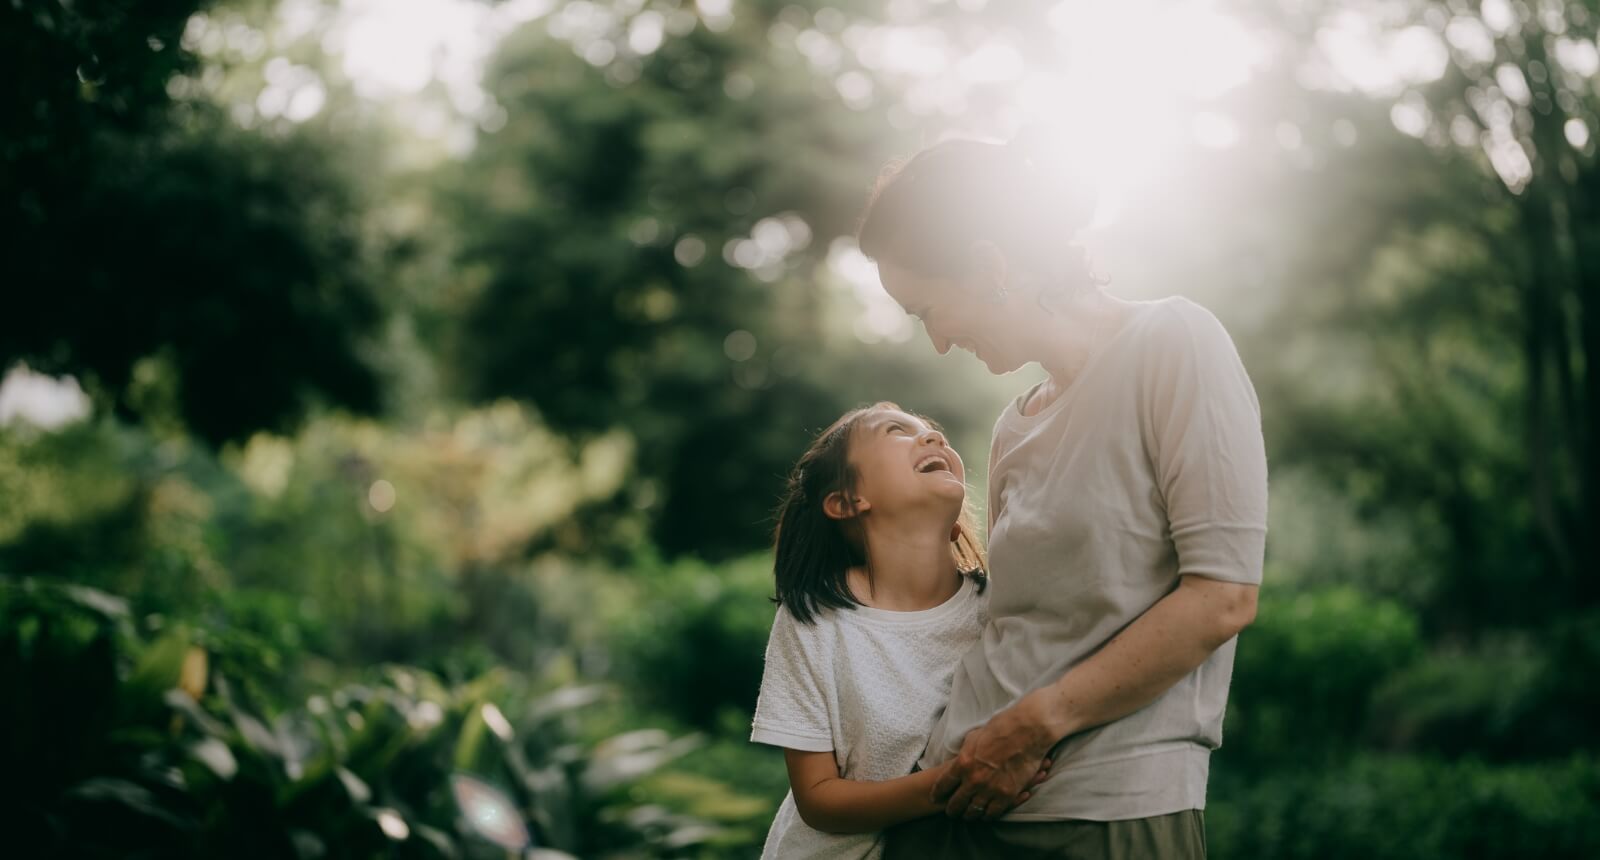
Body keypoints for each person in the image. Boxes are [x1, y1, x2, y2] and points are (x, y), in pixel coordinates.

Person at [858, 139, 1269, 859]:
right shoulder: (1012, 425)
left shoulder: (1173, 342)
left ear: (988, 268)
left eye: (927, 310)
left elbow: (1223, 597)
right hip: (956, 805)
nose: (939, 344)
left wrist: (1031, 727)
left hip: (1104, 813)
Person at [750, 402, 1048, 859]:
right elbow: (818, 799)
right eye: (897, 431)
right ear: (847, 501)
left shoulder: (1000, 610)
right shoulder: (812, 618)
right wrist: (954, 783)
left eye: (932, 431)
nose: (934, 438)